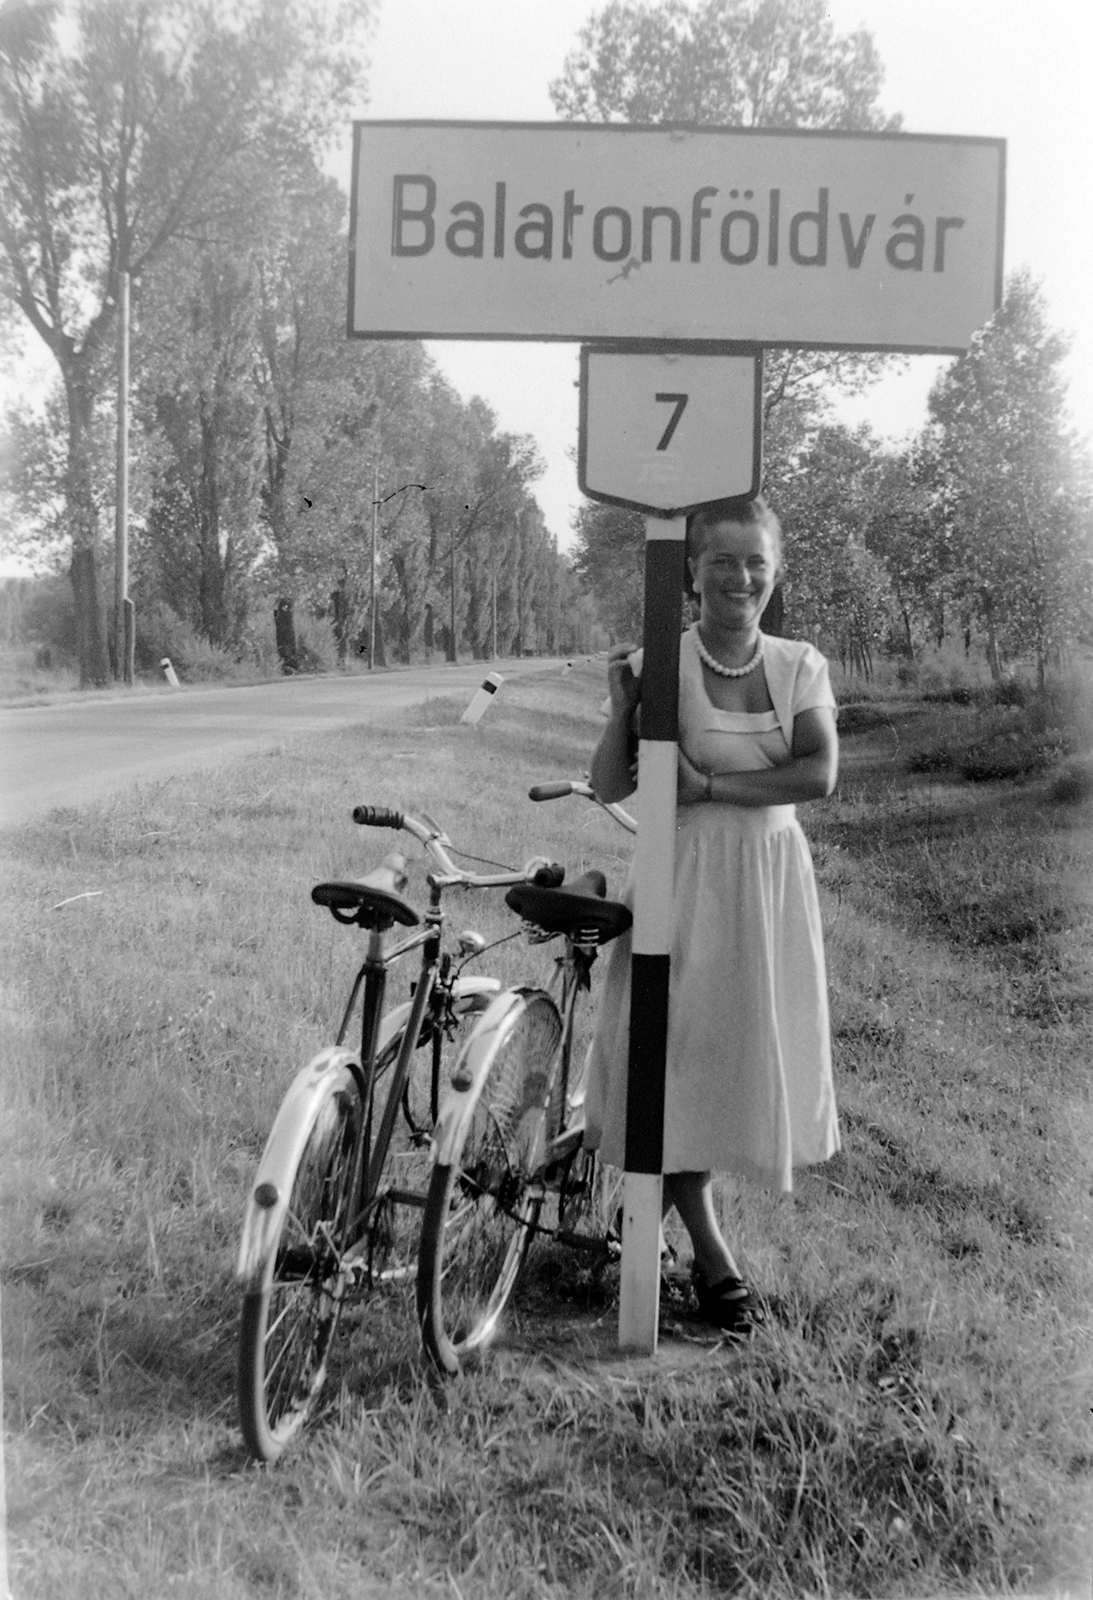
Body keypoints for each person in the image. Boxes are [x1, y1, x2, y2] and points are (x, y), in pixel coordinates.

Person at [584, 495, 840, 1333]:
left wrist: (711, 788)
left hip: (766, 881)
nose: (740, 578)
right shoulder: (663, 658)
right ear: (690, 572)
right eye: (722, 562)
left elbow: (815, 775)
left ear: (776, 569)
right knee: (673, 1060)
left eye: (755, 562)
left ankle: (638, 1235)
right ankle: (711, 1254)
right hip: (681, 874)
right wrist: (625, 706)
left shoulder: (800, 663)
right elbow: (611, 786)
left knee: (732, 1059)